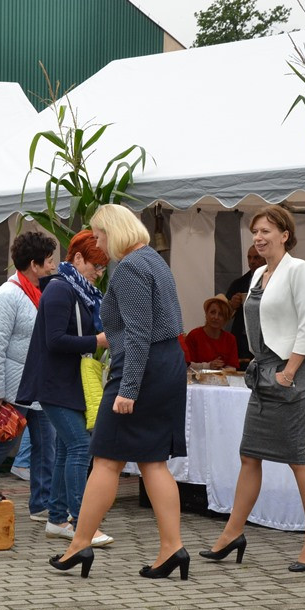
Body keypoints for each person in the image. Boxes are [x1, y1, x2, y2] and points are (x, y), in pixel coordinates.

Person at [49, 204, 188, 580]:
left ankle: (80, 545)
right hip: (167, 364)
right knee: (153, 461)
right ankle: (172, 548)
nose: (100, 242)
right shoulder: (153, 260)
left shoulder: (128, 269)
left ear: (114, 231)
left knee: (106, 457)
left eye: (101, 234)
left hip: (140, 369)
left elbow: (139, 334)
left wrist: (128, 389)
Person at [201, 205, 305, 573]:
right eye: (255, 231)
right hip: (263, 375)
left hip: (290, 376)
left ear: (285, 234)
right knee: (249, 455)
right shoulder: (258, 274)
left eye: (266, 231)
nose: (258, 237)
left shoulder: (299, 270)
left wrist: (287, 373)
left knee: (298, 459)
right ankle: (232, 533)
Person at [17, 231, 114, 548]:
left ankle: (58, 519)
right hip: (55, 382)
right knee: (79, 447)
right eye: (95, 266)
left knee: (65, 450)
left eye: (102, 268)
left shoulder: (75, 290)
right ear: (78, 258)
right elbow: (55, 341)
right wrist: (97, 341)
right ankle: (79, 522)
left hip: (66, 382)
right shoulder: (61, 290)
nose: (98, 274)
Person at [0, 230, 57, 521]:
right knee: (3, 441)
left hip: (35, 384)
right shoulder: (7, 295)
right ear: (34, 264)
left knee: (46, 442)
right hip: (14, 386)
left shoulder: (36, 291)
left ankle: (41, 504)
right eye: (50, 261)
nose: (54, 266)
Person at [225, 244, 265, 367]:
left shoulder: (277, 280)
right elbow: (223, 313)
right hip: (243, 341)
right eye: (249, 258)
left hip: (266, 339)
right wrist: (232, 305)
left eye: (256, 258)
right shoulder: (239, 283)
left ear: (265, 257)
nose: (252, 262)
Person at [184, 294, 238, 371]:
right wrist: (208, 366)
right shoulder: (194, 335)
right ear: (206, 314)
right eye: (212, 312)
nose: (216, 317)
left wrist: (220, 370)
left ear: (226, 319)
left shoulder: (230, 339)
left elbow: (232, 368)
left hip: (222, 382)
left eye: (221, 314)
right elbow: (187, 365)